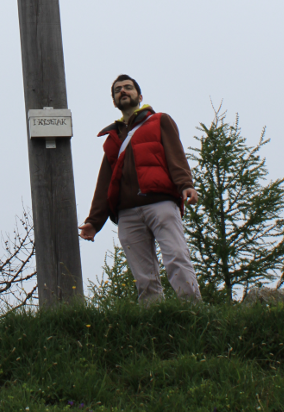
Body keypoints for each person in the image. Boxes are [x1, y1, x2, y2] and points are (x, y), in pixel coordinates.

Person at [79, 74, 201, 304]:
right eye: (117, 90)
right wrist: (94, 222)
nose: (122, 91)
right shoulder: (113, 138)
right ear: (114, 101)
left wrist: (186, 185)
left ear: (139, 95)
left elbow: (176, 155)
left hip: (160, 203)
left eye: (128, 87)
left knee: (176, 256)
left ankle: (193, 309)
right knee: (142, 273)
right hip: (127, 212)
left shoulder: (160, 120)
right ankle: (154, 317)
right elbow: (105, 181)